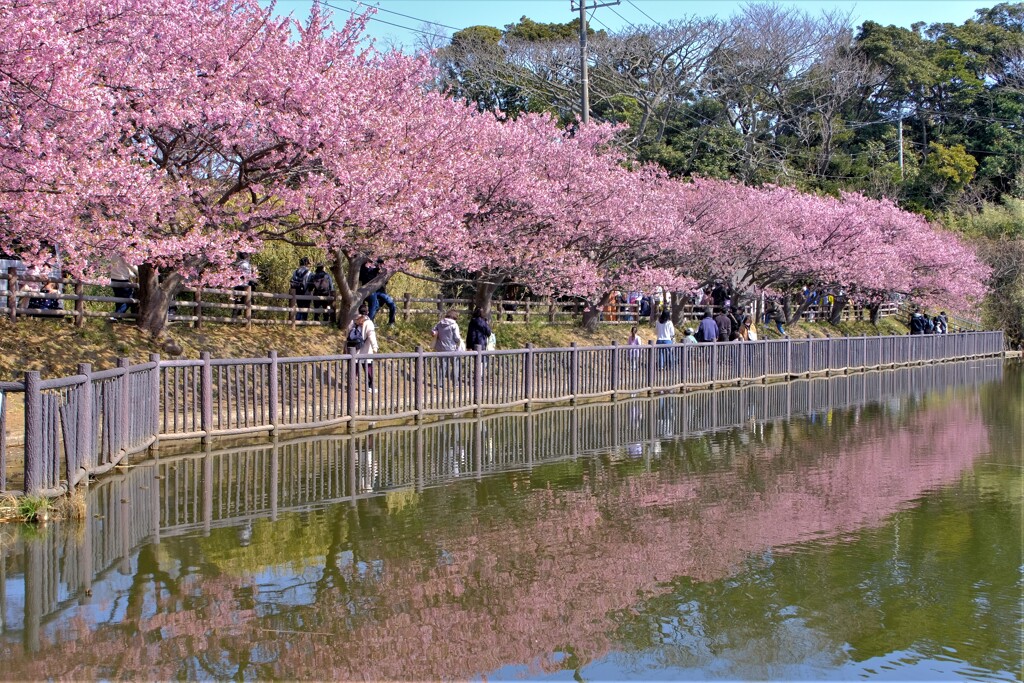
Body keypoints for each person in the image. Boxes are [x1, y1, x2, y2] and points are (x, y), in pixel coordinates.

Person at [347, 303, 378, 392]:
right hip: (366, 350)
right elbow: (371, 335)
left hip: (354, 349)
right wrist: (375, 346)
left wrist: (345, 347)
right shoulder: (368, 322)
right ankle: (370, 386)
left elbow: (348, 335)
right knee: (369, 369)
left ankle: (351, 386)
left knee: (354, 369)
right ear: (367, 312)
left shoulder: (353, 321)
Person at [359, 259, 396, 325]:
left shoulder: (379, 268)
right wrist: (375, 271)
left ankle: (391, 322)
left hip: (379, 291)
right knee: (374, 303)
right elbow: (363, 278)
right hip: (369, 289)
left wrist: (381, 274)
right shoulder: (365, 267)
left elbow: (385, 282)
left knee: (391, 303)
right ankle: (369, 322)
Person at [432, 309, 463, 387]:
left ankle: (440, 384)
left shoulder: (440, 323)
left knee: (442, 366)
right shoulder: (454, 325)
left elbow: (433, 331)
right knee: (456, 365)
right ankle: (455, 383)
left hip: (441, 348)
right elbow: (456, 338)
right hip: (452, 348)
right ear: (455, 317)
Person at [109, 254, 137, 319]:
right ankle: (116, 316)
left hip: (114, 278)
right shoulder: (124, 252)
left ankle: (117, 317)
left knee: (119, 299)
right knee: (129, 299)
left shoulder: (113, 252)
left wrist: (132, 275)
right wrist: (138, 273)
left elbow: (122, 267)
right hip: (122, 279)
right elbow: (130, 265)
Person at [231, 252, 256, 318]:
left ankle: (234, 318)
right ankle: (248, 318)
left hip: (238, 285)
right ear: (247, 256)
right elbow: (247, 276)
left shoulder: (238, 264)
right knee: (248, 301)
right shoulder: (245, 265)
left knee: (237, 302)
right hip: (244, 285)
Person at [290, 257, 312, 321]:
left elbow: (293, 280)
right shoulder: (309, 272)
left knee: (299, 307)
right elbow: (311, 282)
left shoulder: (295, 272)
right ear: (306, 263)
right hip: (306, 292)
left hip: (297, 292)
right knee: (305, 308)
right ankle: (303, 322)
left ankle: (297, 320)